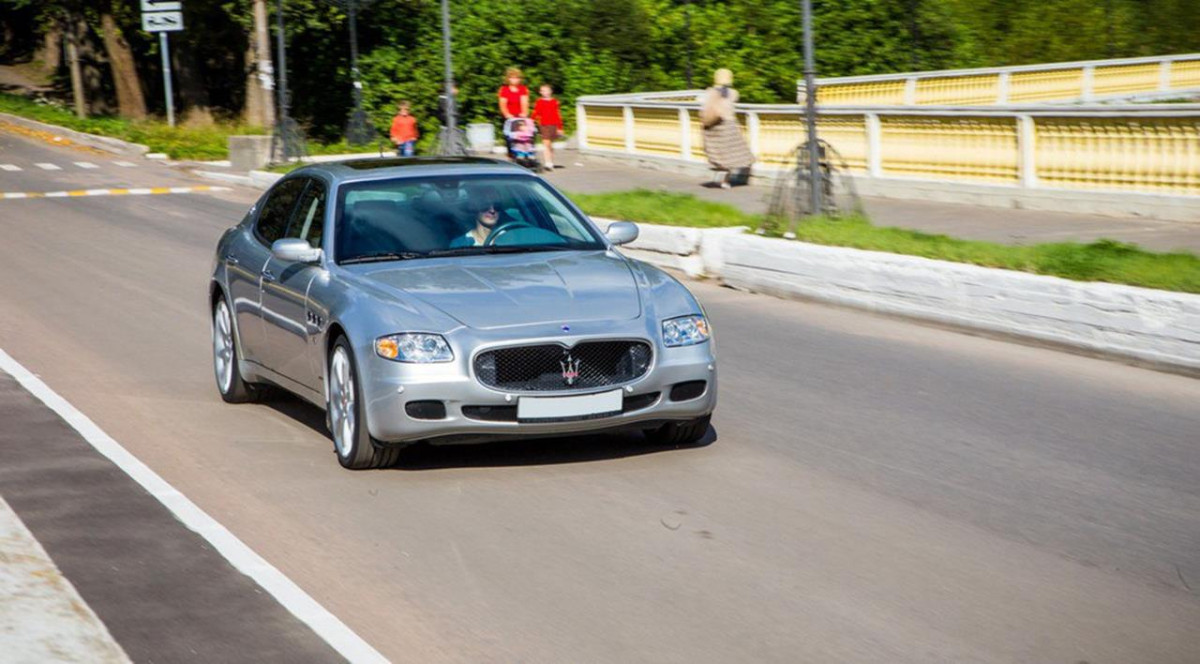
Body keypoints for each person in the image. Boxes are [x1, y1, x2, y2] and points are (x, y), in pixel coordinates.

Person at [699, 69, 754, 188]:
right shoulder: (733, 93)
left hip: (713, 125)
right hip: (728, 125)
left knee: (717, 151)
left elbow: (704, 106)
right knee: (733, 151)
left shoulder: (709, 92)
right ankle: (726, 180)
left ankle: (720, 171)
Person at [531, 84, 564, 169]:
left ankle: (551, 161)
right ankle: (547, 162)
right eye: (542, 91)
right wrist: (531, 120)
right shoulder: (539, 101)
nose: (544, 92)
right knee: (546, 143)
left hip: (553, 125)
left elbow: (558, 115)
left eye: (546, 90)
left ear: (550, 91)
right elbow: (536, 112)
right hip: (544, 124)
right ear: (540, 92)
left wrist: (560, 128)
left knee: (550, 144)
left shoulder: (554, 102)